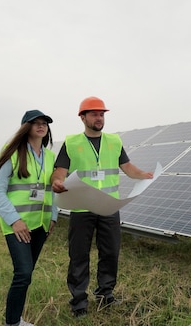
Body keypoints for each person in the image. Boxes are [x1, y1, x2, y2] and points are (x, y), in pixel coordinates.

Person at [50, 96, 153, 318]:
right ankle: (79, 303)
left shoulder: (114, 142)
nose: (99, 117)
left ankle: (105, 295)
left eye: (102, 114)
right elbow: (60, 172)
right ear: (83, 117)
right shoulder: (72, 142)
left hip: (108, 207)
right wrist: (57, 182)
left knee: (110, 253)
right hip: (81, 208)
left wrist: (145, 175)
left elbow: (127, 167)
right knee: (79, 256)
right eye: (95, 114)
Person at [0, 110, 58, 326]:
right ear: (25, 127)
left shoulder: (49, 156)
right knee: (23, 273)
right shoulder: (12, 152)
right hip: (17, 224)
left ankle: (16, 319)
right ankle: (12, 322)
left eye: (44, 123)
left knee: (26, 275)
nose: (41, 126)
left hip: (41, 223)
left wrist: (53, 217)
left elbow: (51, 190)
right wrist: (14, 220)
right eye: (35, 123)